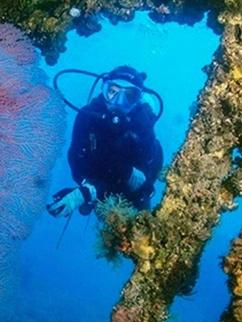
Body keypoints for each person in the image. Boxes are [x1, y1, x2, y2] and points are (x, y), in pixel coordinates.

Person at [46, 65, 163, 218]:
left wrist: (90, 192)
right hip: (98, 184)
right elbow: (76, 159)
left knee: (141, 216)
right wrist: (85, 190)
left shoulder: (142, 123)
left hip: (131, 190)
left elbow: (145, 174)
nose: (119, 102)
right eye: (112, 92)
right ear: (103, 89)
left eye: (129, 96)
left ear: (137, 100)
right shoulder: (87, 116)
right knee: (105, 215)